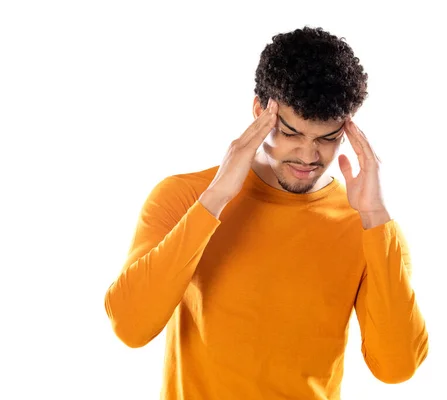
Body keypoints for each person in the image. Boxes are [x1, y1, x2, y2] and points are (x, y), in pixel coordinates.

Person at [104, 26, 428, 400]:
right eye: (291, 133)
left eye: (326, 138)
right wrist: (216, 199)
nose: (309, 157)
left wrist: (374, 216)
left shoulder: (368, 228)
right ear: (260, 110)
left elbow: (397, 367)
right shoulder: (184, 197)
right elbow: (130, 326)